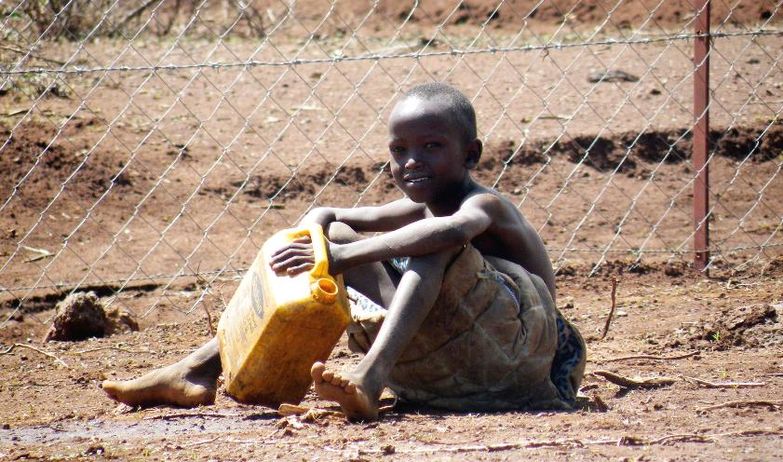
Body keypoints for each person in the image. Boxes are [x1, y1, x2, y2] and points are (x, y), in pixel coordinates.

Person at [102, 82, 586, 421]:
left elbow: (448, 234)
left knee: (432, 242)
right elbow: (329, 213)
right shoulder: (418, 206)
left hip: (522, 352)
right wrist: (315, 243)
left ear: (471, 154)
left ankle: (369, 379)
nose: (412, 161)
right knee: (342, 242)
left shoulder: (484, 205)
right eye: (399, 150)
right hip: (455, 364)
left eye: (432, 146)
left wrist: (335, 258)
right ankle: (201, 368)